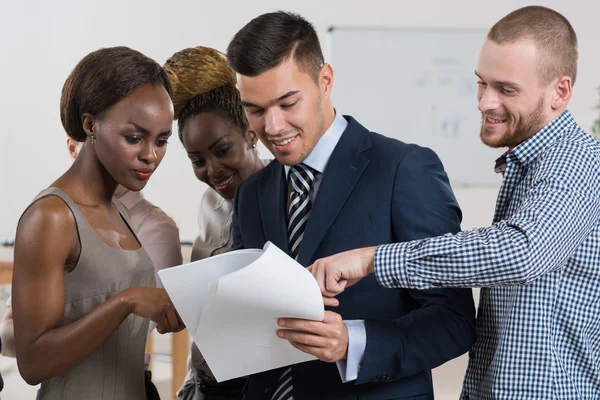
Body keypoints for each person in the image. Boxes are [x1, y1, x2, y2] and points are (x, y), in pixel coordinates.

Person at [307, 6, 600, 400]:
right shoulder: (527, 166)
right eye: (482, 83)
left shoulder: (575, 163)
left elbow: (521, 252)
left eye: (506, 89)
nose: (484, 102)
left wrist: (374, 259)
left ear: (560, 92)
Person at [226, 11, 476, 400]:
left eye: (288, 103)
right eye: (255, 110)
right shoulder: (251, 193)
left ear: (325, 80)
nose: (271, 127)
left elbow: (455, 321)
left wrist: (353, 345)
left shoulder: (403, 169)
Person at [11, 46, 184, 400]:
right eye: (134, 138)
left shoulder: (116, 209)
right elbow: (32, 363)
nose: (150, 155)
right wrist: (126, 302)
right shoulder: (51, 217)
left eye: (162, 140)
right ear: (90, 125)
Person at [163, 46, 265, 399]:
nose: (212, 170)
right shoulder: (210, 203)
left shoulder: (285, 196)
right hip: (206, 384)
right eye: (197, 159)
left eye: (222, 151)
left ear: (251, 133)